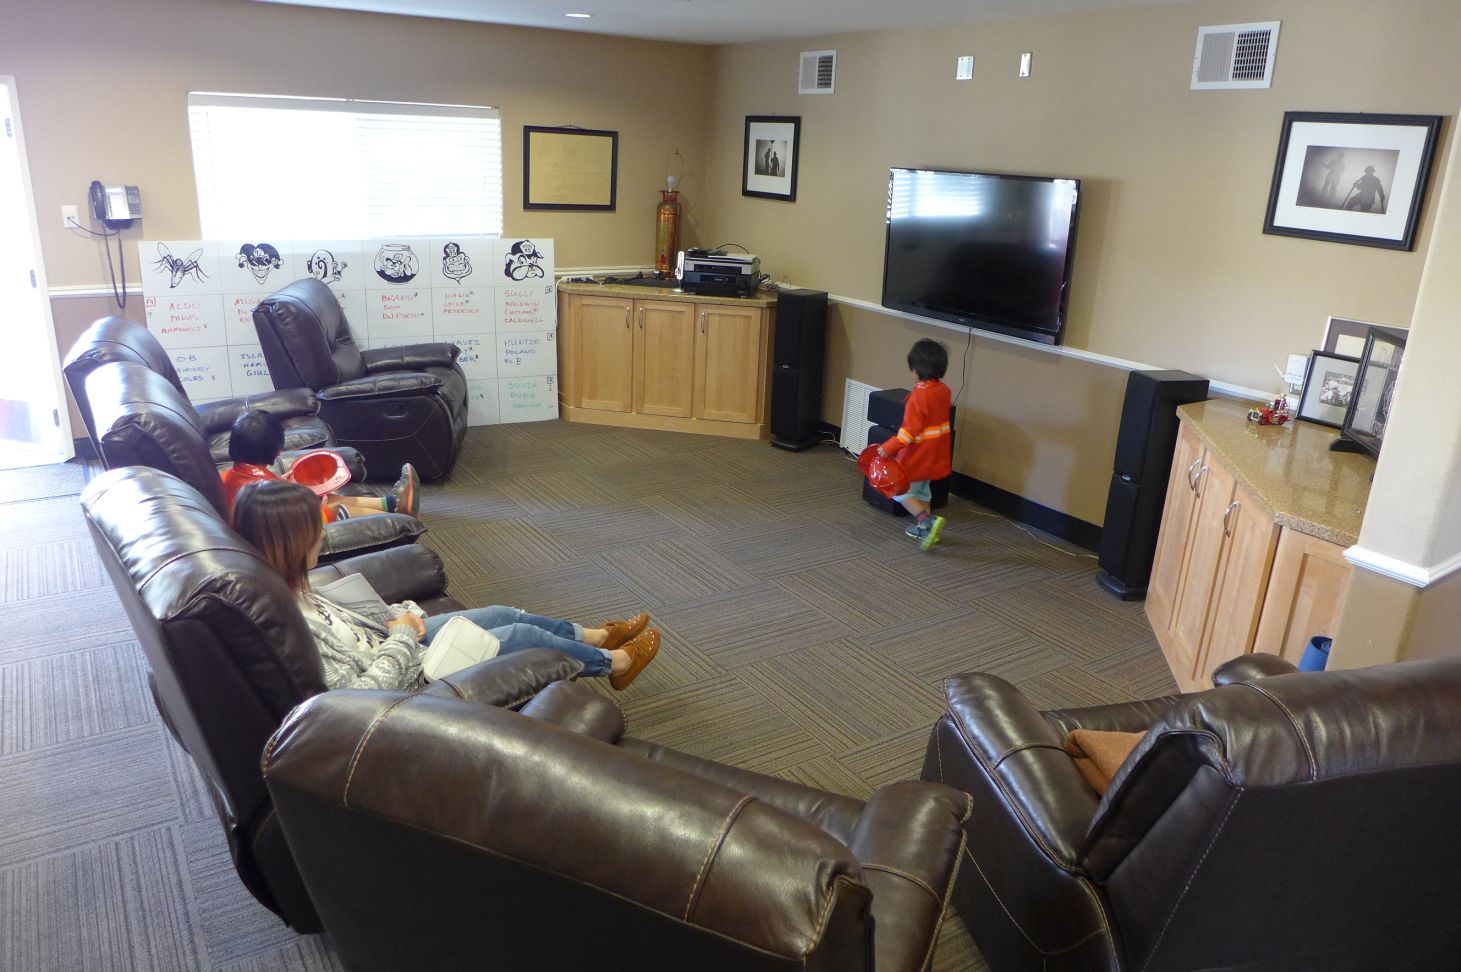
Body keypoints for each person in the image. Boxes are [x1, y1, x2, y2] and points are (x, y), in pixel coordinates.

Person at [232, 479, 661, 692]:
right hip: (413, 676)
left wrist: (402, 618)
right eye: (315, 529)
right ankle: (615, 663)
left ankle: (597, 636)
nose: (322, 537)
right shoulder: (287, 625)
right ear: (291, 541)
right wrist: (402, 636)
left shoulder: (284, 584)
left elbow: (356, 621)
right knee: (519, 635)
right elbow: (360, 697)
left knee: (501, 613)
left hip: (397, 642)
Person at [219, 409, 417, 523]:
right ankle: (400, 520)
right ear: (274, 450)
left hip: (269, 524)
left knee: (321, 495)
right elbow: (287, 522)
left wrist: (280, 484)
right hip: (296, 531)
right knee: (333, 506)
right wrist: (325, 511)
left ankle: (392, 503)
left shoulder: (228, 476)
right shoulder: (264, 491)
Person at [878, 339, 953, 551]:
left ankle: (927, 522)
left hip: (916, 456)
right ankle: (924, 529)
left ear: (915, 369)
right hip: (934, 454)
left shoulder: (919, 396)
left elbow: (908, 432)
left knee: (898, 491)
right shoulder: (944, 391)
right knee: (922, 493)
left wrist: (887, 448)